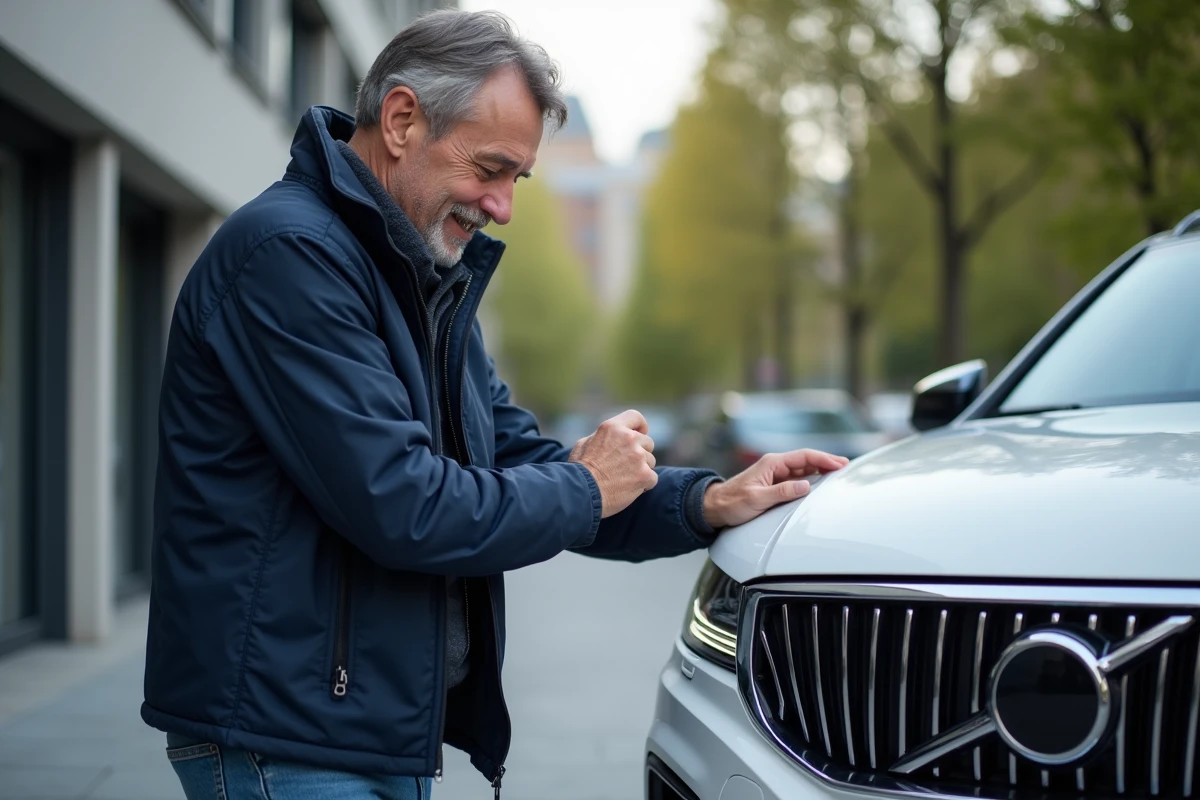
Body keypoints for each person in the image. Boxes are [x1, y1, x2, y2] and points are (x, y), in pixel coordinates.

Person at [142, 10, 849, 800]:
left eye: (519, 178)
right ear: (403, 119)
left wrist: (705, 501)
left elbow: (517, 460)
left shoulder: (418, 277)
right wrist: (587, 486)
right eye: (491, 168)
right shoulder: (289, 256)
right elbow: (405, 504)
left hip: (362, 728)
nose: (503, 205)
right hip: (288, 735)